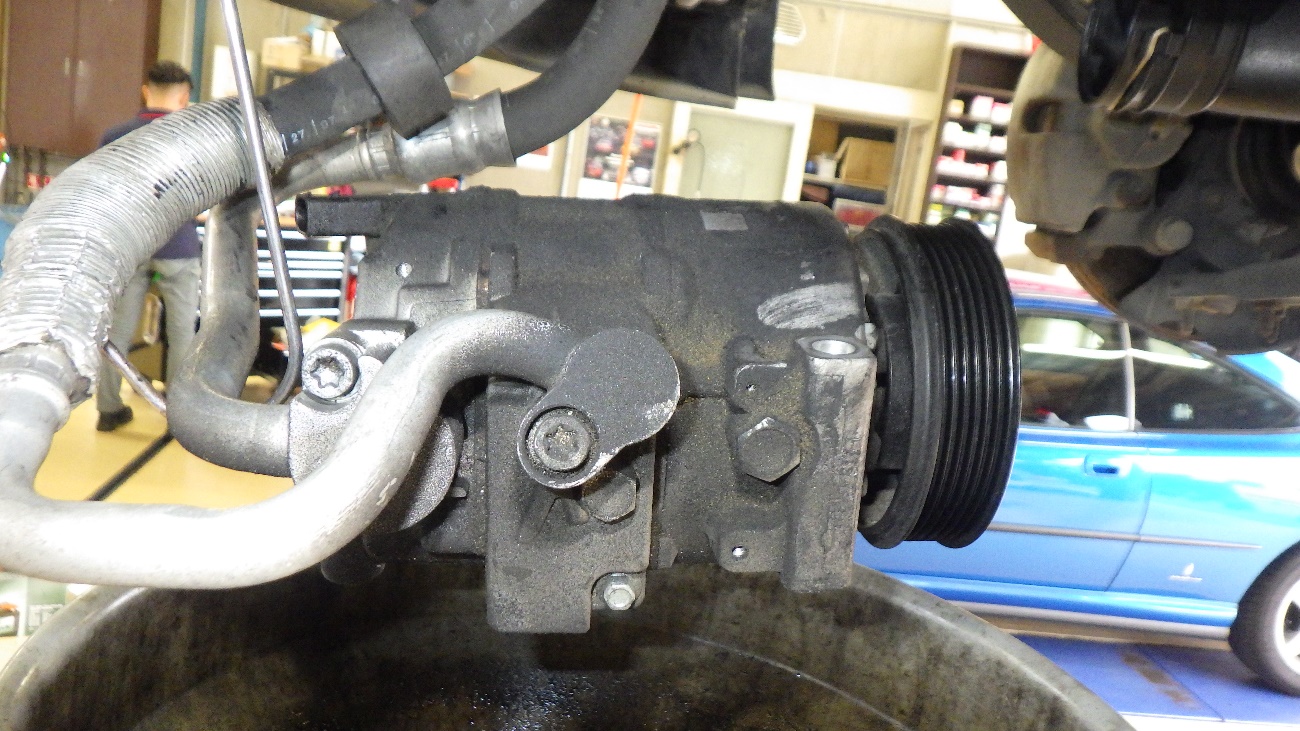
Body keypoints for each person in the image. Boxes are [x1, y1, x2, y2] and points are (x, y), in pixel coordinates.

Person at [95, 61, 202, 432]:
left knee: (118, 330)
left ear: (145, 91)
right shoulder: (193, 137)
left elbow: (101, 191)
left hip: (131, 245)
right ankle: (179, 417)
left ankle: (108, 409)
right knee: (182, 332)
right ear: (184, 97)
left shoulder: (115, 136)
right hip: (179, 245)